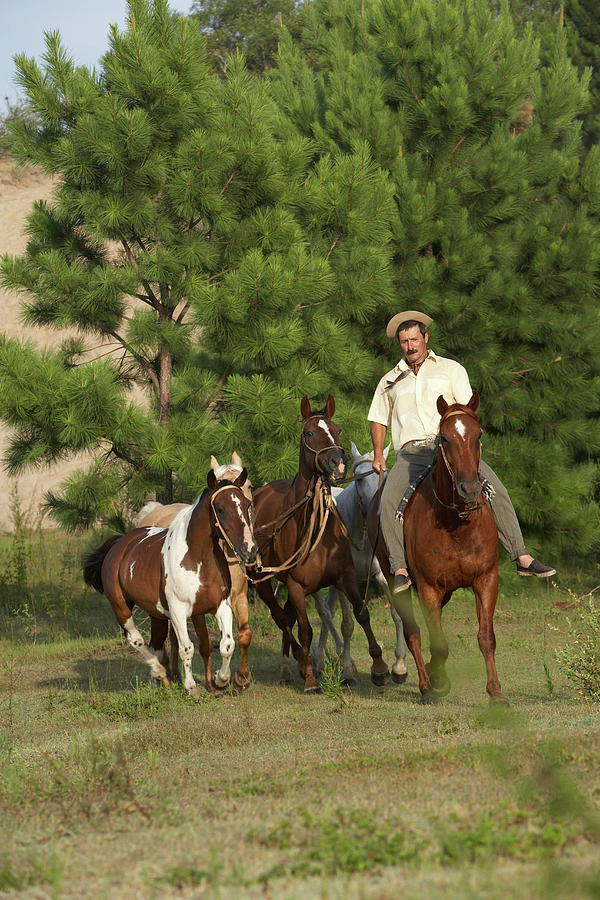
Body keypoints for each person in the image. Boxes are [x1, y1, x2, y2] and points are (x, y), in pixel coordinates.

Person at [368, 309, 556, 594]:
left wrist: (464, 445)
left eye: (415, 339)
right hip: (411, 454)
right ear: (400, 344)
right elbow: (379, 419)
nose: (411, 346)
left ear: (425, 338)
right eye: (405, 341)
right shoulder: (388, 381)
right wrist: (379, 453)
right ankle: (400, 568)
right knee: (387, 502)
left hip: (452, 447)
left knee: (494, 488)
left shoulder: (451, 369)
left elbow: (468, 411)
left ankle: (521, 555)